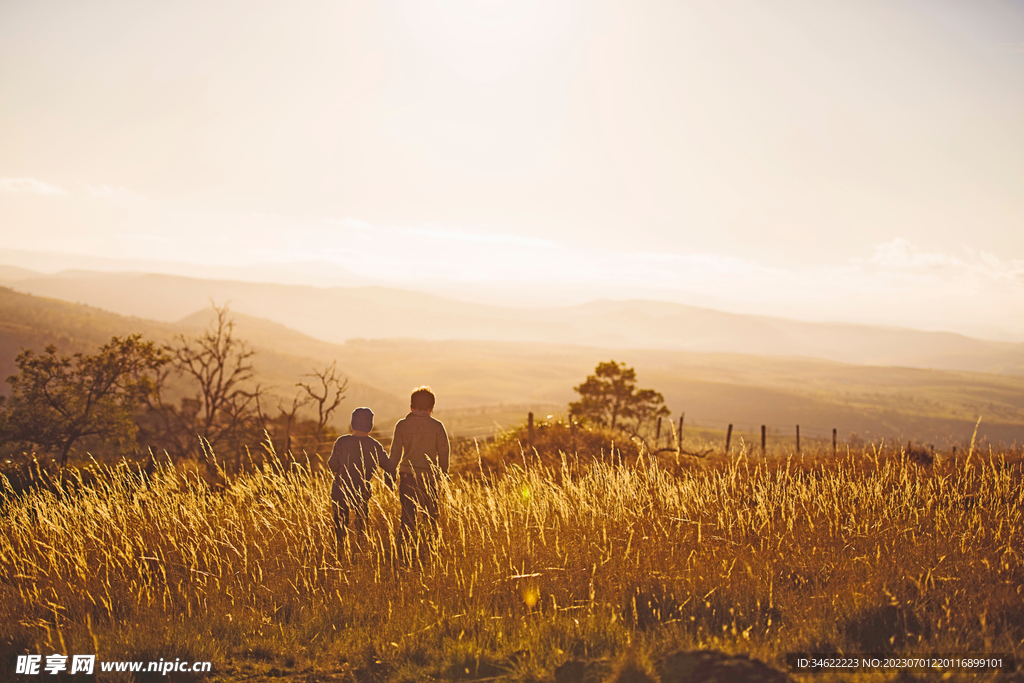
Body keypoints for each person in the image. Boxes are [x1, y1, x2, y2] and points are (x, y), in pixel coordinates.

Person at [389, 386, 450, 561]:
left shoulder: (401, 425)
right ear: (431, 408)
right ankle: (429, 555)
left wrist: (390, 474)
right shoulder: (437, 426)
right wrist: (443, 476)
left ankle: (403, 556)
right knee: (431, 518)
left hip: (407, 477)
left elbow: (395, 454)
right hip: (429, 478)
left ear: (411, 407)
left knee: (407, 518)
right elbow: (444, 454)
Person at [327, 407, 393, 555]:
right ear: (370, 425)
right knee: (361, 523)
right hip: (362, 489)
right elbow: (388, 465)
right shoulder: (375, 445)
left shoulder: (342, 441)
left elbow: (332, 465)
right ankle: (360, 552)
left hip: (340, 488)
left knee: (340, 524)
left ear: (352, 423)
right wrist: (390, 481)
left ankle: (340, 553)